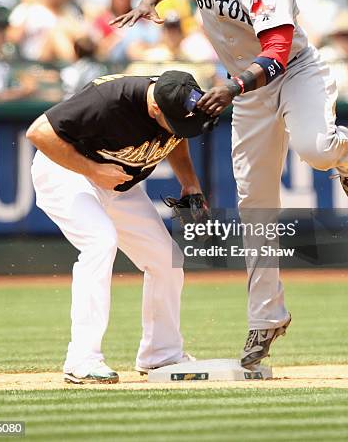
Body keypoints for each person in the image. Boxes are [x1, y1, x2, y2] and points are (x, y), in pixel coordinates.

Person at [112, 0, 348, 369]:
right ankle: (267, 318)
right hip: (244, 89)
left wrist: (230, 88)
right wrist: (151, 0)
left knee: (317, 149)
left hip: (291, 73)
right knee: (255, 205)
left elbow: (274, 55)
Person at [26, 70, 212, 383]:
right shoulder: (110, 99)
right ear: (155, 109)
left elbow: (176, 137)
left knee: (167, 259)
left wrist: (190, 184)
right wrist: (92, 169)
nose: (182, 129)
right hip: (68, 172)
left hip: (118, 183)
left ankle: (161, 355)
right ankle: (82, 359)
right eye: (178, 122)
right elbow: (39, 133)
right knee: (100, 241)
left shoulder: (174, 102)